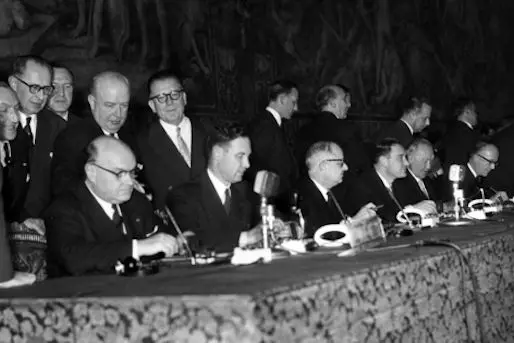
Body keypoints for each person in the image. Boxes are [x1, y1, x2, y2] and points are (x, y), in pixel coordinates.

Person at [45, 136, 179, 277]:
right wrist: (137, 248)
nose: (129, 182)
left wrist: (176, 242)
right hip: (85, 295)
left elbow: (158, 238)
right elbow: (74, 258)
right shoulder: (64, 208)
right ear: (92, 172)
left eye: (132, 173)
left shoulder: (135, 201)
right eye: (120, 174)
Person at [167, 122, 260, 253]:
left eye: (248, 157)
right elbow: (191, 241)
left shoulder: (246, 192)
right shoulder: (183, 196)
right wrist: (246, 238)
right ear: (217, 153)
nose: (247, 164)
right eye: (240, 156)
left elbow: (261, 224)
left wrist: (277, 227)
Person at [51, 71, 136, 197]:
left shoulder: (130, 136)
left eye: (124, 105)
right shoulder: (73, 140)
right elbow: (66, 192)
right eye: (110, 105)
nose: (118, 114)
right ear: (92, 102)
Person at [7, 55, 65, 230]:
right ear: (14, 83)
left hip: (45, 228)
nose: (41, 96)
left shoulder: (59, 127)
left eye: (46, 89)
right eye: (34, 88)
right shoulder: (3, 124)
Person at [137, 71, 207, 209]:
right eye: (161, 98)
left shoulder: (210, 131)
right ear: (152, 105)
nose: (170, 102)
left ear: (184, 98)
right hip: (173, 225)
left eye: (174, 94)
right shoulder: (141, 144)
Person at [297, 141, 378, 238]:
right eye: (340, 163)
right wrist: (355, 222)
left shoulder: (336, 192)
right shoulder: (301, 196)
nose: (346, 168)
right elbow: (319, 237)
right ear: (324, 166)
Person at [345, 138, 435, 223]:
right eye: (401, 158)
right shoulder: (362, 186)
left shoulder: (400, 184)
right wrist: (411, 210)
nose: (407, 163)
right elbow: (380, 221)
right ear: (384, 161)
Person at [295, 84, 370, 176]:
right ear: (332, 103)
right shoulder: (348, 129)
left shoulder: (303, 130)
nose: (349, 105)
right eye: (344, 100)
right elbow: (360, 165)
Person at [246, 80, 299, 203]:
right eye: (293, 102)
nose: (296, 108)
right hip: (270, 200)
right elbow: (260, 167)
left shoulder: (273, 124)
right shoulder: (264, 126)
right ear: (282, 99)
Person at [393, 138, 439, 206]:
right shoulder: (399, 184)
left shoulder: (429, 181)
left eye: (431, 161)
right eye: (425, 161)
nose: (428, 166)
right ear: (410, 158)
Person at [439, 98, 480, 169]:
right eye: (474, 111)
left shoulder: (451, 129)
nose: (476, 115)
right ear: (467, 112)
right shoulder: (467, 133)